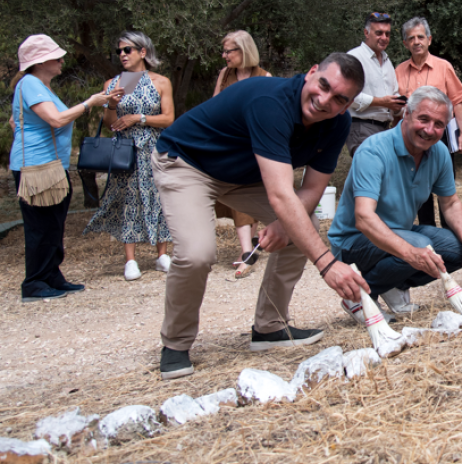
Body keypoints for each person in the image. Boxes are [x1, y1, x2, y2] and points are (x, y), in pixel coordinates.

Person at [152, 53, 369, 380]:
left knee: (301, 227)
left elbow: (311, 188)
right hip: (187, 163)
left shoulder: (337, 123)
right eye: (323, 85)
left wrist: (284, 224)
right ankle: (176, 344)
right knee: (197, 253)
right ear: (311, 72)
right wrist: (327, 264)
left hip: (243, 174)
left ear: (348, 104)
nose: (324, 101)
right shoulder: (270, 101)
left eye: (339, 98)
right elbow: (282, 195)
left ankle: (269, 327)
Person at [328, 86, 462, 318]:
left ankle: (393, 284)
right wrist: (411, 252)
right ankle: (359, 296)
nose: (430, 130)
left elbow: (450, 203)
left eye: (439, 124)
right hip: (353, 242)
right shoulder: (373, 151)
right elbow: (363, 218)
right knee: (420, 245)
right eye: (424, 119)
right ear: (407, 114)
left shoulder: (438, 152)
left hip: (402, 232)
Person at [11, 35, 122, 302]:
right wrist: (90, 103)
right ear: (40, 62)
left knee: (53, 224)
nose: (62, 61)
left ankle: (51, 276)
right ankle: (35, 282)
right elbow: (56, 120)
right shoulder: (30, 84)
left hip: (51, 166)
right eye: (56, 57)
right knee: (40, 225)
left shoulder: (40, 86)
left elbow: (19, 124)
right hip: (37, 168)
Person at [84, 32, 175, 281]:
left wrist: (140, 118)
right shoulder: (113, 84)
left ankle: (162, 254)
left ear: (143, 52)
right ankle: (130, 259)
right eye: (120, 51)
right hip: (126, 150)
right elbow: (109, 124)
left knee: (159, 196)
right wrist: (112, 105)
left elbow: (168, 118)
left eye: (128, 50)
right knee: (128, 200)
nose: (122, 55)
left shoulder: (161, 82)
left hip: (154, 148)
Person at [395, 17, 462, 227]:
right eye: (411, 38)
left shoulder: (443, 67)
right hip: (411, 137)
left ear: (429, 39)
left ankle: (448, 234)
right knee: (418, 185)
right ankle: (428, 231)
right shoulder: (398, 71)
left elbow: (458, 102)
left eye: (420, 37)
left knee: (444, 185)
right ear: (405, 44)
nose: (416, 41)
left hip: (441, 135)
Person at [211, 30, 273, 278]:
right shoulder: (224, 75)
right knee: (235, 191)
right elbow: (214, 105)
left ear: (244, 51)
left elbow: (269, 111)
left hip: (252, 142)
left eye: (229, 51)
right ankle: (248, 247)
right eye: (224, 51)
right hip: (229, 142)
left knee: (248, 189)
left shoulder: (264, 76)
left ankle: (247, 251)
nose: (225, 56)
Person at [346, 12, 403, 156]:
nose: (384, 38)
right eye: (379, 33)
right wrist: (382, 102)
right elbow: (348, 96)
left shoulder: (387, 61)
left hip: (385, 128)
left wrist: (398, 105)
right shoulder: (354, 57)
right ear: (366, 33)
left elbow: (393, 93)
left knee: (382, 175)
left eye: (387, 34)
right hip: (361, 126)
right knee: (369, 171)